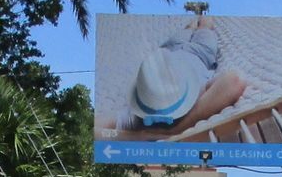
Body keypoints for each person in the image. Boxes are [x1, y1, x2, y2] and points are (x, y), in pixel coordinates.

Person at [105, 16, 246, 138]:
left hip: (168, 52)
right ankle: (200, 16)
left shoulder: (137, 116)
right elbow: (234, 81)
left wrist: (141, 135)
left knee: (188, 29)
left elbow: (97, 129)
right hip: (200, 53)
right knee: (205, 26)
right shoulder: (196, 98)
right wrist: (177, 129)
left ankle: (195, 20)